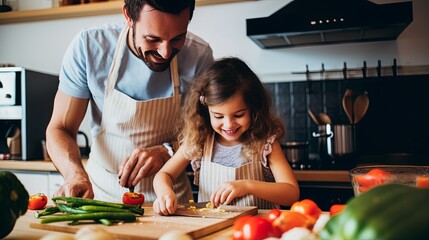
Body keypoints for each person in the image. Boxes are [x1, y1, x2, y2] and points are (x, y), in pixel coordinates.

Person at [45, 0, 214, 203]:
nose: (165, 52)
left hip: (171, 199)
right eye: (153, 39)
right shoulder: (90, 47)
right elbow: (60, 128)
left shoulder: (199, 56)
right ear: (128, 16)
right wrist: (74, 175)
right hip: (101, 195)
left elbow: (209, 131)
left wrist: (169, 151)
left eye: (178, 38)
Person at [153, 57, 299, 215]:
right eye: (218, 116)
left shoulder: (265, 144)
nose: (229, 124)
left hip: (256, 230)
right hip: (210, 228)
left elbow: (291, 193)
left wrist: (247, 186)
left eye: (238, 115)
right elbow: (164, 174)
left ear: (253, 108)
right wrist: (165, 193)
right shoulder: (199, 141)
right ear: (206, 111)